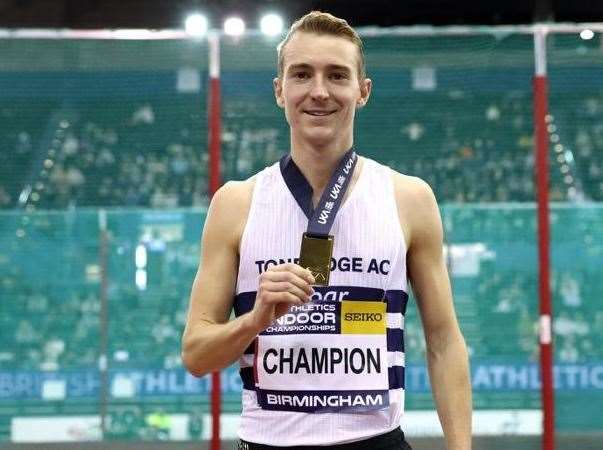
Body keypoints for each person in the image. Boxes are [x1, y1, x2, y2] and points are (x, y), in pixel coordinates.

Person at [182, 11, 472, 450]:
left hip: (377, 440)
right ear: (280, 91)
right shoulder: (236, 204)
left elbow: (444, 339)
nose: (319, 91)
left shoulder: (409, 198)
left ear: (363, 91)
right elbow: (196, 354)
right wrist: (256, 319)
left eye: (337, 75)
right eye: (302, 74)